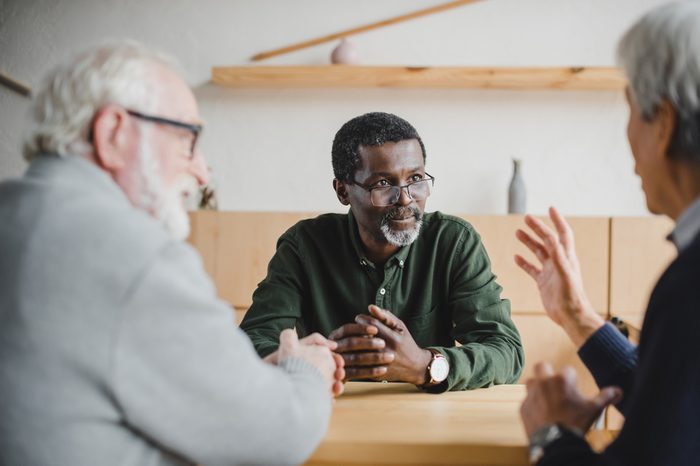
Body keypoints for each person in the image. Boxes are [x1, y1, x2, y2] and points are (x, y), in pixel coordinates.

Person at [0, 41, 344, 466]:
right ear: (113, 134)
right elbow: (279, 433)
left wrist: (251, 376)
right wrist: (309, 370)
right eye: (188, 139)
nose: (201, 171)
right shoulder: (134, 255)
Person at [514, 2, 700, 464]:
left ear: (665, 124)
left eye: (632, 109)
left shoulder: (689, 288)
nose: (628, 134)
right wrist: (578, 317)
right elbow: (674, 405)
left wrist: (551, 437)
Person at [240, 112, 524, 392]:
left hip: (427, 419)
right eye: (383, 184)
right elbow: (253, 341)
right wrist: (311, 360)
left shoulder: (454, 242)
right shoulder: (304, 246)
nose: (405, 199)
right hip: (332, 414)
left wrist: (425, 364)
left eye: (416, 179)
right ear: (343, 191)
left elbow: (506, 352)